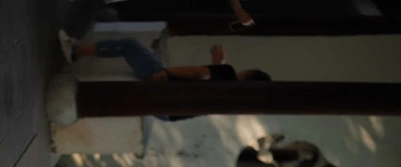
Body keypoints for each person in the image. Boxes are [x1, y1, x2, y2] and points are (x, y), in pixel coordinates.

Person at [57, 31, 270, 121]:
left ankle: (74, 51)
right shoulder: (231, 103)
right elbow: (212, 84)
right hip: (166, 114)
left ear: (249, 74)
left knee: (130, 45)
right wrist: (219, 66)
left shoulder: (228, 74)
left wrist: (167, 72)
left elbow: (199, 74)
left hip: (164, 86)